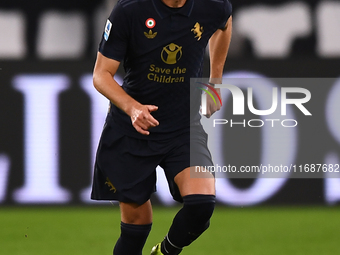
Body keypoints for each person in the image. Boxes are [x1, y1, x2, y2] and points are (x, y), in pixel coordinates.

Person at [91, 0, 232, 254]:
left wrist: (215, 81)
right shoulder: (129, 10)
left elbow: (224, 21)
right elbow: (101, 75)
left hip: (182, 126)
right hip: (132, 130)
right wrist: (133, 107)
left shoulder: (211, 5)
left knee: (201, 205)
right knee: (137, 225)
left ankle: (165, 252)